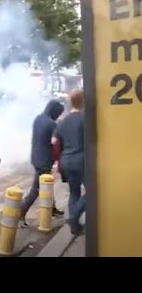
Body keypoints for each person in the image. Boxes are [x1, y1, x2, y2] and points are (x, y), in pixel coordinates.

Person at [19, 99, 65, 227]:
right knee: (37, 188)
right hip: (44, 160)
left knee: (46, 184)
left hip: (36, 156)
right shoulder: (51, 124)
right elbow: (55, 142)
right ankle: (21, 211)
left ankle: (51, 208)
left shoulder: (38, 118)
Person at [52, 89, 85, 235]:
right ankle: (74, 217)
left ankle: (75, 227)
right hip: (81, 160)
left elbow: (54, 141)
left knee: (74, 192)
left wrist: (60, 159)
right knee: (93, 192)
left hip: (66, 160)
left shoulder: (63, 121)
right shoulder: (84, 118)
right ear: (83, 101)